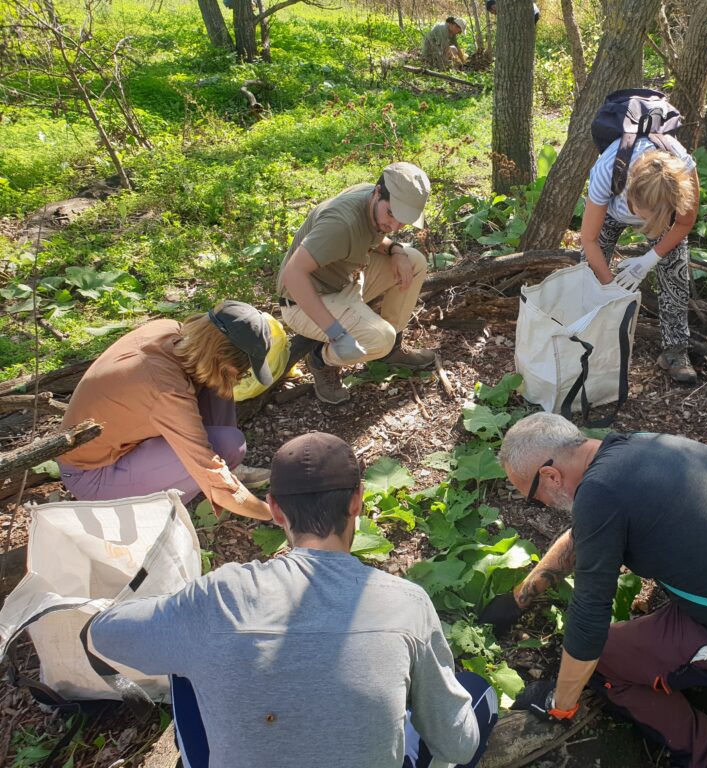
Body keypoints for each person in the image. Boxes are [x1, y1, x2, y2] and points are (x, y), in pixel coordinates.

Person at [88, 432, 496, 768]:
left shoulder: (219, 597)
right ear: (358, 500)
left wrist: (178, 605)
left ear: (275, 510)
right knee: (476, 691)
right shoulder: (407, 604)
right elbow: (458, 746)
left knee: (185, 650)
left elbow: (103, 635)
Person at [479, 413, 707, 768]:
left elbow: (589, 622)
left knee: (602, 662)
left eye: (533, 498)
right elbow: (585, 536)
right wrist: (519, 598)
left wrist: (561, 702)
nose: (542, 505)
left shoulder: (600, 493)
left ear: (551, 476)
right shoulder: (641, 446)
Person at [57, 301, 274, 521]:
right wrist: (277, 517)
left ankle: (223, 470)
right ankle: (160, 509)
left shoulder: (171, 331)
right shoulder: (166, 391)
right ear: (227, 361)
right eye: (242, 371)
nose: (240, 376)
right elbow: (220, 490)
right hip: (92, 475)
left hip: (123, 442)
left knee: (216, 382)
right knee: (227, 445)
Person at [277, 162, 436, 404]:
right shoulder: (340, 224)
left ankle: (389, 351)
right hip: (303, 299)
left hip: (346, 281)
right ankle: (321, 360)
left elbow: (370, 237)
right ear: (376, 192)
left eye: (403, 221)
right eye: (391, 214)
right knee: (379, 338)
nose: (394, 226)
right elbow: (293, 275)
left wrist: (396, 250)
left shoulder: (372, 204)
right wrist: (336, 333)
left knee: (414, 261)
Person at [581, 136, 701, 384]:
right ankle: (586, 339)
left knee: (675, 266)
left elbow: (685, 222)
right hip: (611, 211)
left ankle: (675, 350)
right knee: (588, 269)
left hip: (665, 219)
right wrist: (611, 286)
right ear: (631, 195)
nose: (643, 223)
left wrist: (650, 258)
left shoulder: (684, 172)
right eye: (641, 215)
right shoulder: (608, 170)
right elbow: (589, 240)